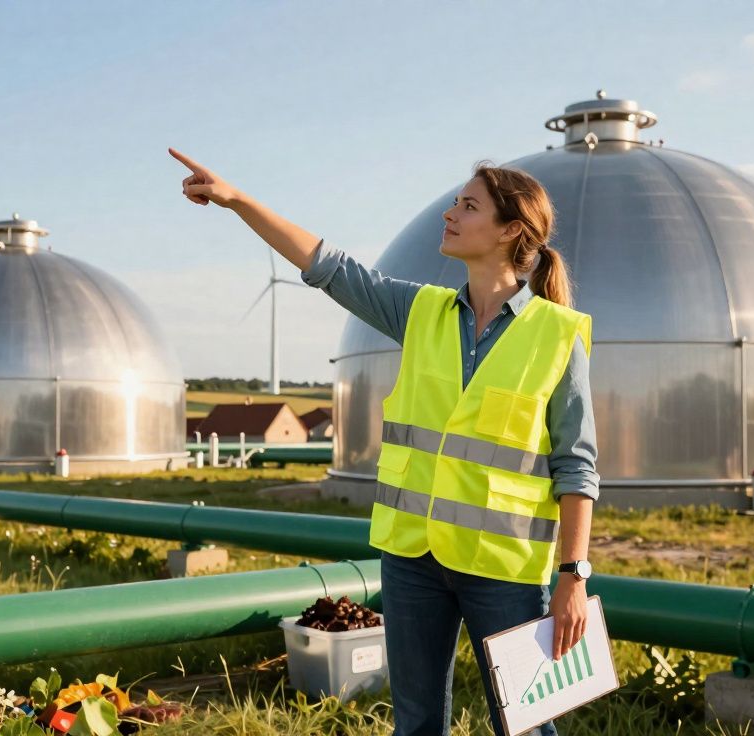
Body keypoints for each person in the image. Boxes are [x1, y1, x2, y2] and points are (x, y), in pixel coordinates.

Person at [169, 147, 597, 736]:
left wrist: (573, 576)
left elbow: (576, 467)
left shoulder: (557, 335)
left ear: (509, 232)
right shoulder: (420, 312)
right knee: (416, 724)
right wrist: (238, 200)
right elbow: (329, 266)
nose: (450, 213)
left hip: (504, 569)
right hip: (412, 558)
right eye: (455, 201)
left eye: (468, 205)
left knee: (525, 726)